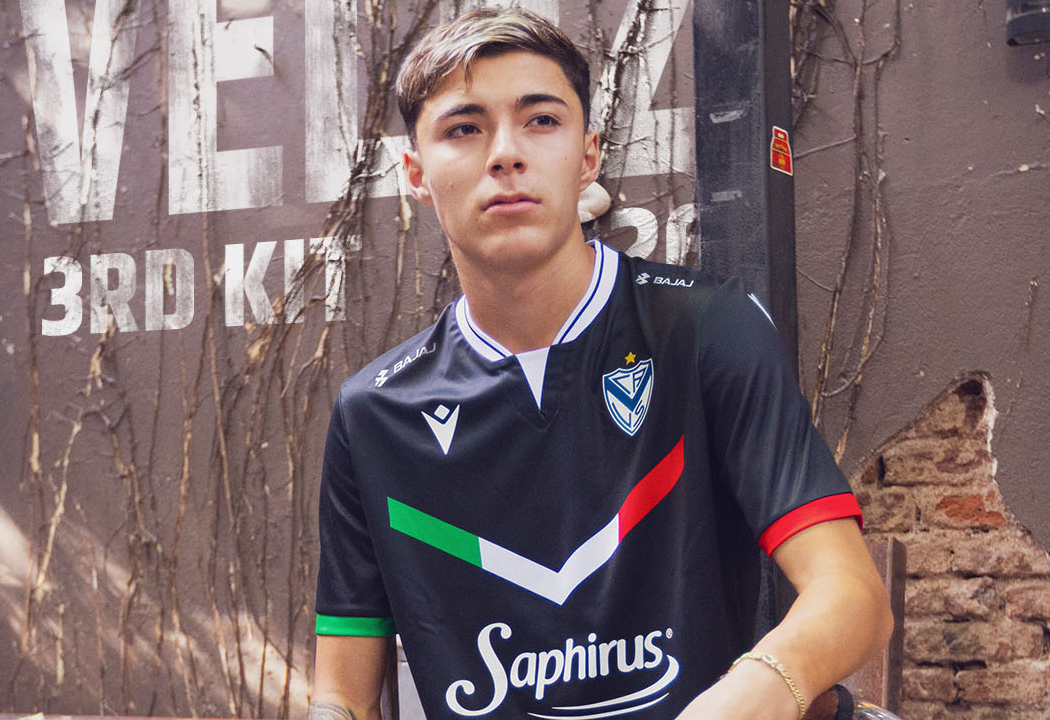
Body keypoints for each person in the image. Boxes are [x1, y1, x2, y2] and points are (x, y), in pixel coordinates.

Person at [310, 8, 893, 720]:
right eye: (464, 128)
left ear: (587, 156)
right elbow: (341, 696)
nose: (506, 154)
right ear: (416, 173)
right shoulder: (372, 413)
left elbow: (851, 596)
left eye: (541, 120)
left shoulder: (705, 328)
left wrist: (764, 684)